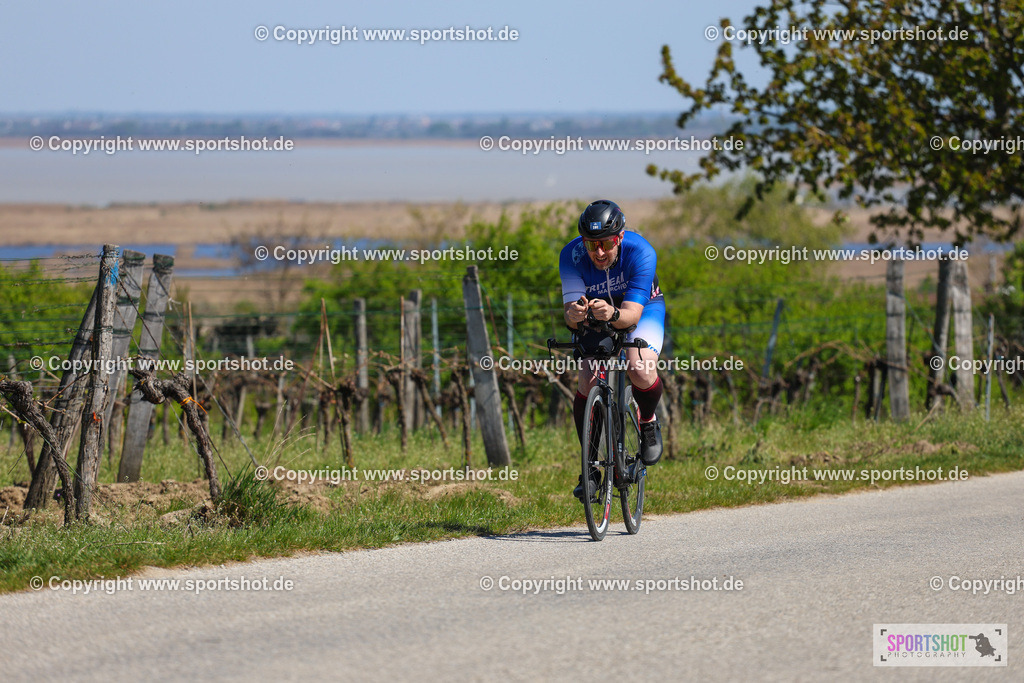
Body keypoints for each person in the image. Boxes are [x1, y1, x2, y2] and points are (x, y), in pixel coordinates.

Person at [559, 199, 665, 501]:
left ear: (619, 237)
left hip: (640, 309)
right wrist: (575, 315)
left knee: (639, 367)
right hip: (598, 311)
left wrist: (614, 315)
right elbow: (569, 312)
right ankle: (589, 467)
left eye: (606, 243)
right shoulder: (571, 255)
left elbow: (631, 316)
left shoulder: (641, 251)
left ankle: (647, 423)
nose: (599, 252)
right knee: (588, 378)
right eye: (592, 245)